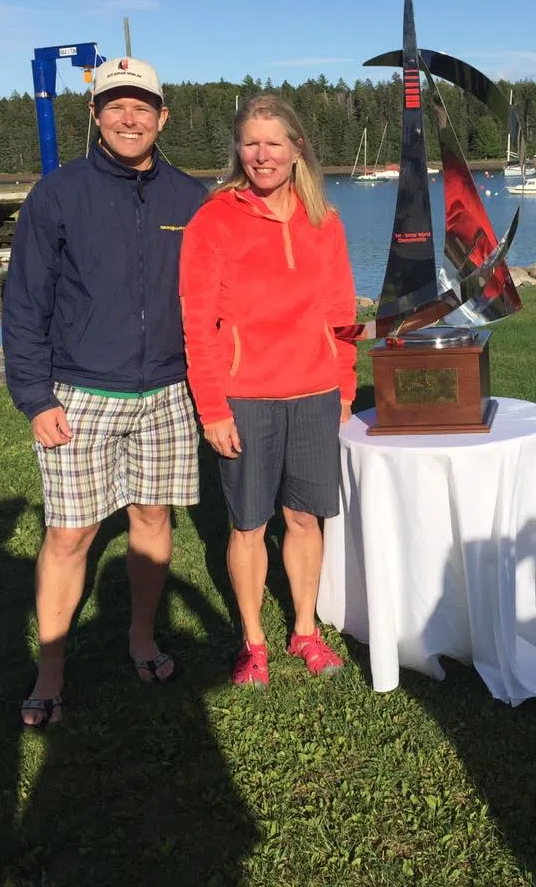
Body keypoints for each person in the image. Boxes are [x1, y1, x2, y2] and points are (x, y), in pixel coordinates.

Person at [3, 57, 206, 727]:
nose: (128, 117)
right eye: (115, 106)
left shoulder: (189, 198)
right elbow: (25, 303)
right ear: (95, 116)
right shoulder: (57, 195)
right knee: (69, 534)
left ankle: (141, 637)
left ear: (162, 117)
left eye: (141, 106)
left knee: (152, 520)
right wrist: (35, 396)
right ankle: (52, 668)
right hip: (79, 394)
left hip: (167, 392)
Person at [179, 94, 356, 688]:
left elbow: (341, 313)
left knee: (305, 518)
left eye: (274, 143)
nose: (262, 155)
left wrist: (344, 385)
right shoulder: (213, 220)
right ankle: (253, 643)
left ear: (296, 147)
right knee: (248, 525)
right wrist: (212, 408)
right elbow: (197, 323)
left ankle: (304, 629)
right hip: (245, 398)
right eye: (250, 143)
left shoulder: (324, 220)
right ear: (238, 149)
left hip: (314, 393)